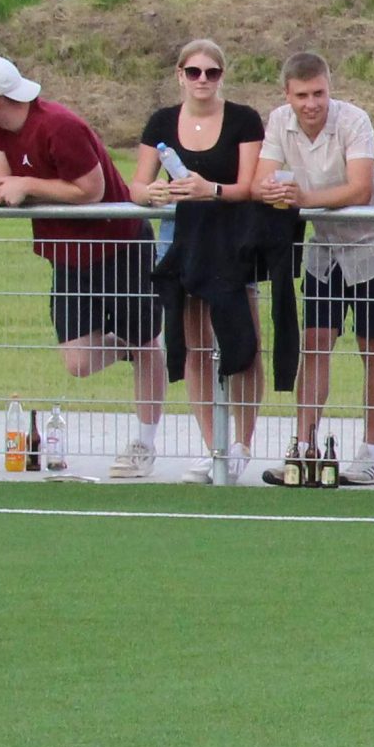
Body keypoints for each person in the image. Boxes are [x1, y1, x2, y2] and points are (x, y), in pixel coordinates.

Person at [0, 54, 167, 479]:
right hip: (67, 254)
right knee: (78, 362)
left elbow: (90, 191)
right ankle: (136, 346)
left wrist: (28, 185)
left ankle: (145, 441)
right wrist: (22, 188)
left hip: (119, 244)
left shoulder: (59, 126)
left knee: (146, 341)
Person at [256, 51, 374, 486]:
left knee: (372, 345)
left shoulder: (354, 120)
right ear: (287, 94)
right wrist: (272, 191)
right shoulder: (278, 120)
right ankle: (304, 448)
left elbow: (359, 189)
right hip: (325, 247)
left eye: (318, 93)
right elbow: (263, 180)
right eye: (302, 95)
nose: (311, 104)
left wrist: (302, 199)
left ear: (329, 88)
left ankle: (370, 453)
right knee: (316, 342)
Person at [134, 40, 267, 484]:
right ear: (180, 75)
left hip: (232, 239)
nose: (202, 80)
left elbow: (248, 186)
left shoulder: (244, 119)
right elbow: (138, 185)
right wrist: (153, 192)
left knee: (244, 341)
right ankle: (214, 446)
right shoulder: (161, 121)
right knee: (193, 345)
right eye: (194, 72)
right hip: (179, 240)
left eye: (212, 72)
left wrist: (209, 189)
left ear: (222, 76)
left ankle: (242, 442)